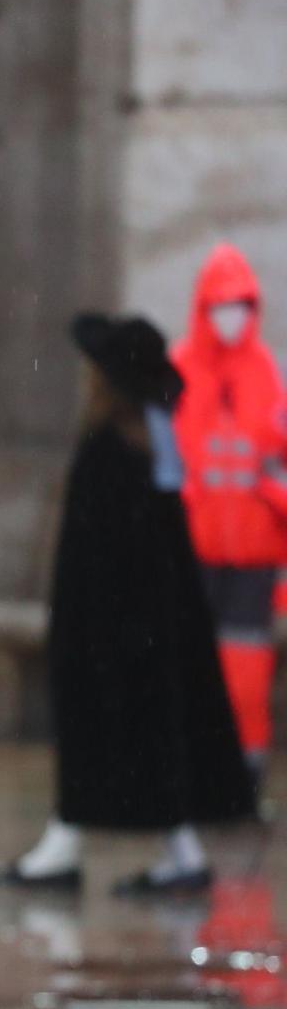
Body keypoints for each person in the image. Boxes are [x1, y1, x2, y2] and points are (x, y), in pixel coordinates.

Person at [0, 314, 256, 895]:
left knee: (116, 738)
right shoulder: (152, 446)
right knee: (148, 741)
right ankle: (117, 845)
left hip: (111, 635)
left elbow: (96, 559)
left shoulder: (111, 452)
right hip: (150, 634)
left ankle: (76, 846)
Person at [171, 242, 287, 773]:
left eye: (241, 305)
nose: (231, 317)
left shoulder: (267, 373)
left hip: (253, 554)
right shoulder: (177, 371)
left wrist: (274, 498)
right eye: (221, 305)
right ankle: (192, 767)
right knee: (191, 665)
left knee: (246, 670)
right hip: (191, 548)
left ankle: (244, 769)